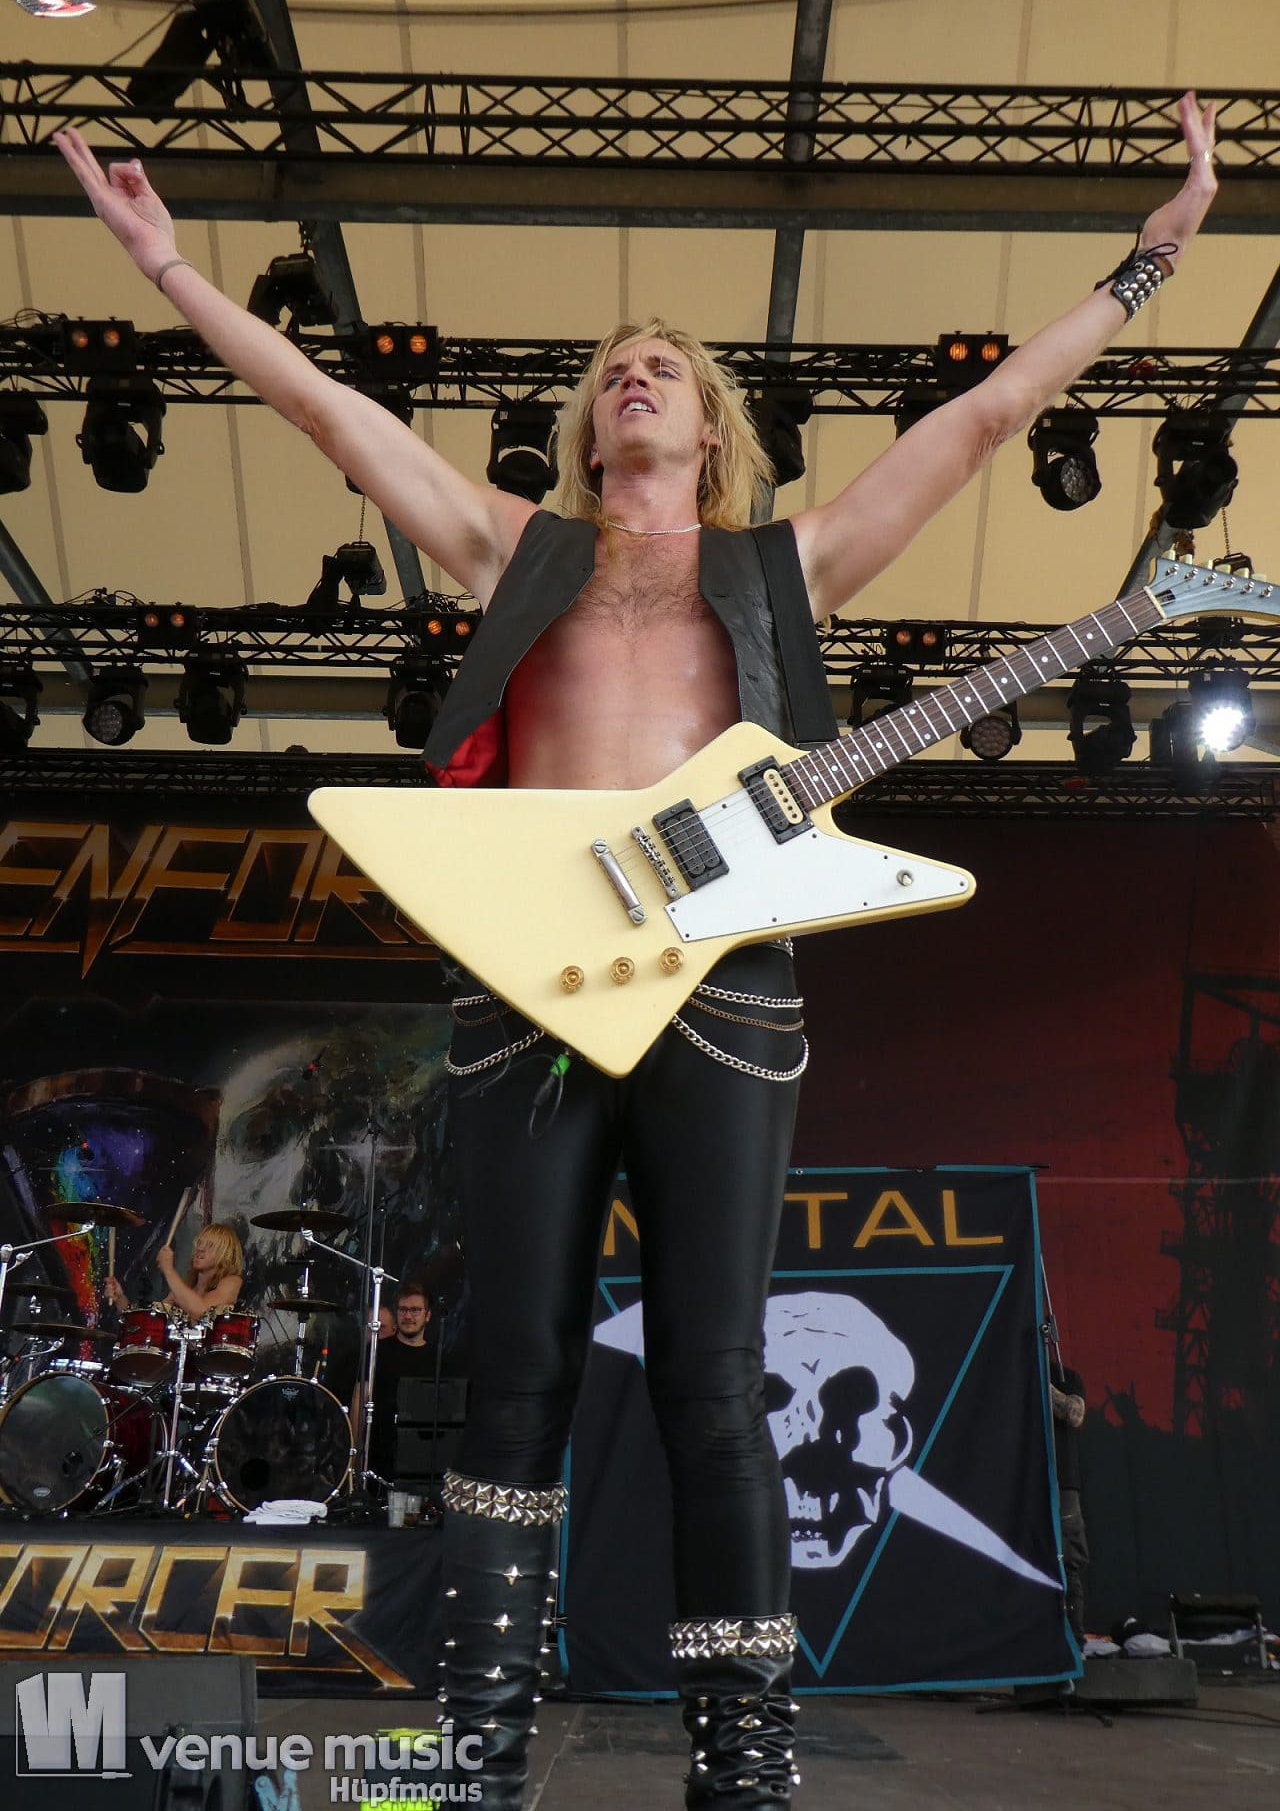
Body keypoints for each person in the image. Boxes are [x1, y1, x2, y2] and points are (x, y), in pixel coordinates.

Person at [55, 95, 1216, 1809]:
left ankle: (743, 1764)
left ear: (713, 422)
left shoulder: (786, 563)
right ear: (588, 426)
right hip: (525, 989)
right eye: (615, 368)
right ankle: (479, 1751)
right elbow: (326, 412)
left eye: (666, 365)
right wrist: (168, 268)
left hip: (727, 994)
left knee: (717, 1384)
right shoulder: (513, 547)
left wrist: (1145, 268)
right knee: (513, 1375)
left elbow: (981, 422)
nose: (638, 375)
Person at [352, 1279, 438, 1484]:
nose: (408, 1316)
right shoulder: (375, 1351)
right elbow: (359, 1401)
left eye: (415, 1310)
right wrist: (355, 1453)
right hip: (379, 1457)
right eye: (403, 1310)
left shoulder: (439, 1357)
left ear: (427, 1316)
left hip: (424, 1461)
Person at [105, 1220, 244, 1321]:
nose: (200, 1248)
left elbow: (202, 1311)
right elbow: (148, 1324)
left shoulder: (232, 1282)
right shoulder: (183, 1291)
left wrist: (169, 1270)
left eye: (210, 1245)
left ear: (225, 1254)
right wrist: (120, 1299)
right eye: (199, 1243)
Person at [1050, 1353, 1090, 1648]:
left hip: (1063, 1482)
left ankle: (1074, 1640)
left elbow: (1075, 1414)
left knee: (1070, 1559)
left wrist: (1042, 1383)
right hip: (1026, 1478)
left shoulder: (1067, 1377)